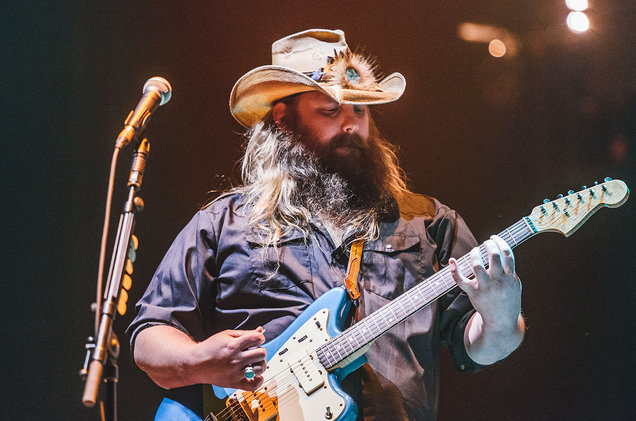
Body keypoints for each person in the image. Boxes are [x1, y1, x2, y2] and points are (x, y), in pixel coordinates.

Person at [128, 29, 525, 421]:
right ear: (283, 120)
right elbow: (150, 337)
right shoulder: (224, 223)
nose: (351, 124)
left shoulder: (430, 223)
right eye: (331, 111)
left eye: (360, 110)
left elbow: (480, 346)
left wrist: (501, 316)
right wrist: (200, 361)